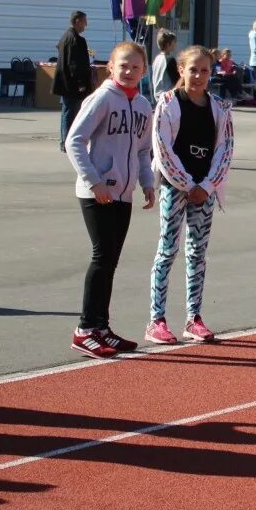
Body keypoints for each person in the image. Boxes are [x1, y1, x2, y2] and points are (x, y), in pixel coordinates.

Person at [63, 41, 156, 358]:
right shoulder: (102, 98)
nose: (129, 72)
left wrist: (147, 182)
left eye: (135, 67)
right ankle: (85, 329)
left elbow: (143, 150)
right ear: (111, 68)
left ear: (144, 71)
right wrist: (94, 181)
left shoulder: (143, 105)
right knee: (102, 256)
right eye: (123, 66)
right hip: (97, 192)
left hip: (124, 192)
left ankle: (101, 327)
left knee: (111, 259)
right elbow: (74, 140)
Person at [145, 46, 235, 344]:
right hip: (176, 188)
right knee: (167, 250)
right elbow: (161, 146)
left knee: (197, 253)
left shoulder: (220, 108)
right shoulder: (167, 103)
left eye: (205, 71)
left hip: (204, 190)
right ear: (181, 70)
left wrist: (207, 186)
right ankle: (156, 320)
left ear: (212, 73)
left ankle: (193, 318)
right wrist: (186, 183)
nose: (198, 76)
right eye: (192, 70)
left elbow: (225, 149)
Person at [55, 10, 96, 148]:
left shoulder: (65, 37)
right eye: (84, 21)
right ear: (77, 21)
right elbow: (75, 64)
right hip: (73, 84)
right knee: (71, 112)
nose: (86, 25)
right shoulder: (76, 40)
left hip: (66, 82)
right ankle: (67, 141)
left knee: (67, 111)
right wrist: (81, 83)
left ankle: (65, 140)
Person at [149, 29, 178, 99]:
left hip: (157, 96)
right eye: (174, 42)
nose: (175, 45)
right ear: (168, 44)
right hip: (168, 96)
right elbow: (176, 80)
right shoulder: (170, 60)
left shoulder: (156, 59)